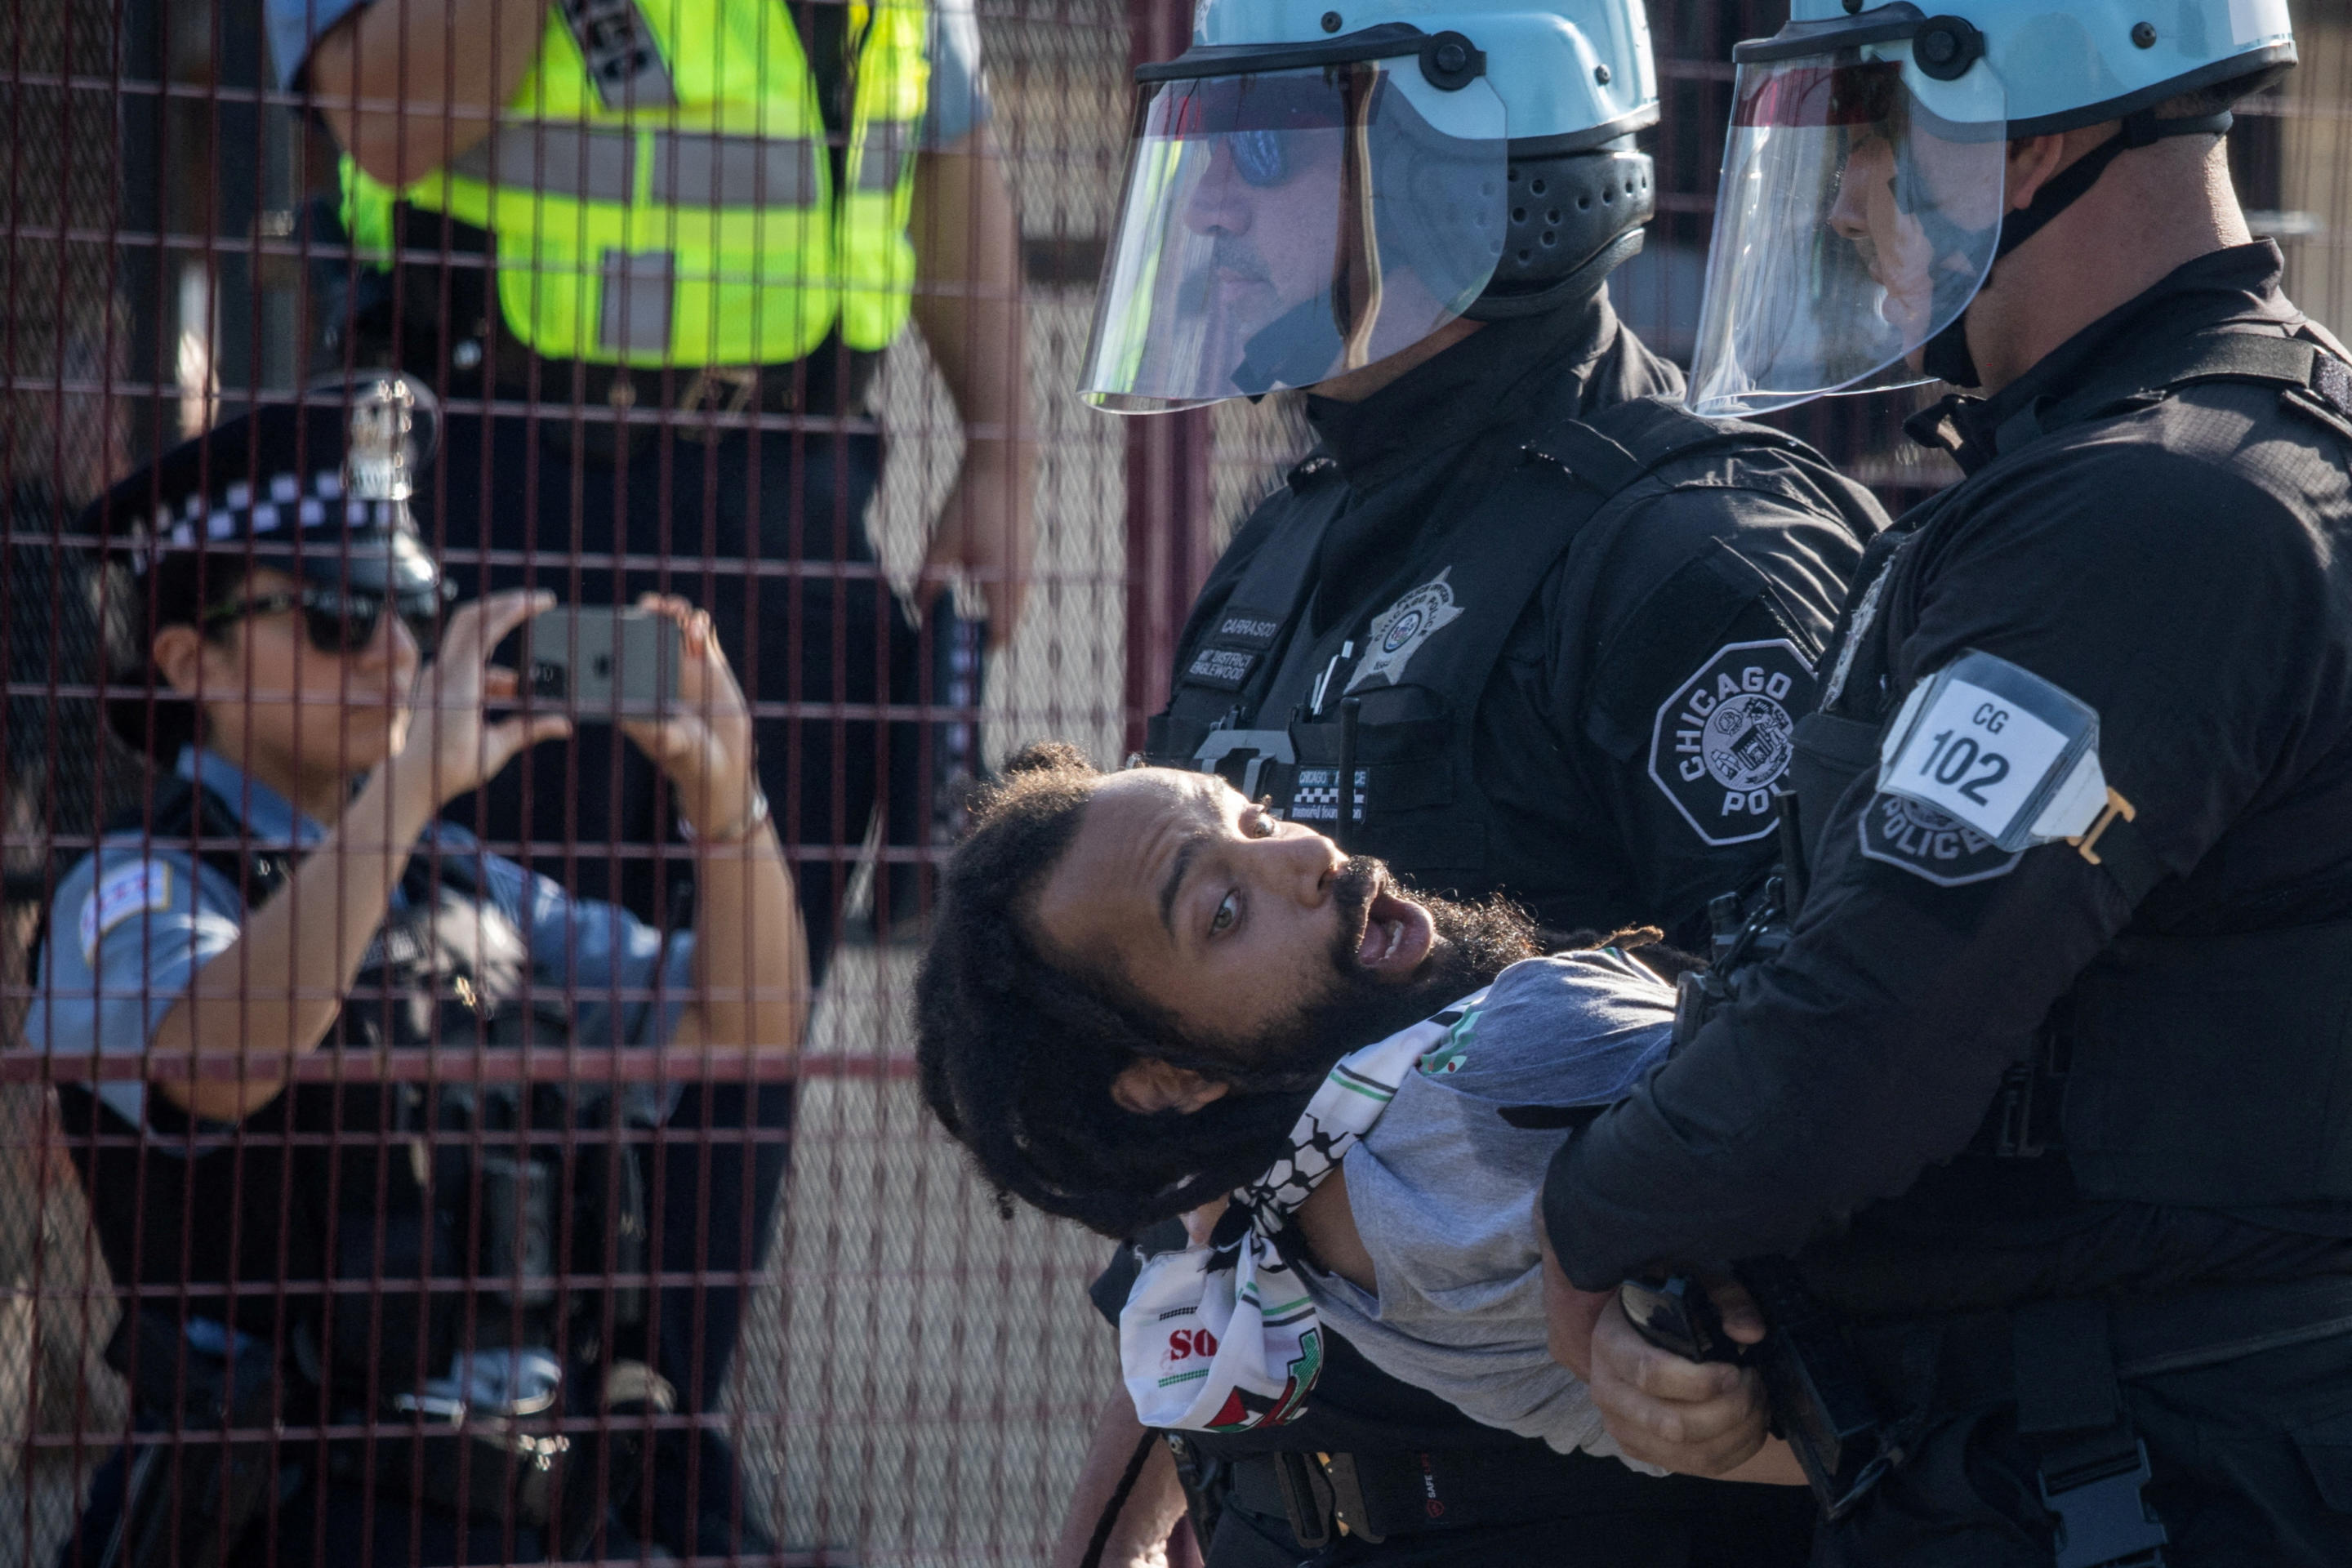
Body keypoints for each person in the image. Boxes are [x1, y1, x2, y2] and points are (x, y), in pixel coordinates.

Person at [1063, 0, 1888, 1559]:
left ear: (1463, 160)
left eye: (1262, 143)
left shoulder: (1689, 555)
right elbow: (1220, 1190)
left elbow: (1841, 1095)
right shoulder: (1291, 539)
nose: (1212, 201)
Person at [1535, 0, 2352, 1561]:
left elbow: (1872, 1023)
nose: (1842, 201)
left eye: (1868, 135)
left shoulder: (2152, 519)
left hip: (2154, 1478)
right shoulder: (2154, 466)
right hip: (2092, 1460)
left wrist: (1592, 1219)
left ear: (2031, 130)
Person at [268, 0, 1032, 1544]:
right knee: (463, 1001)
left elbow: (943, 140)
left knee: (737, 1054)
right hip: (490, 477)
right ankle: (453, 1473)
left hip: (783, 507)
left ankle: (657, 1465)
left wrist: (1006, 445)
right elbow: (384, 123)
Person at [29, 378, 805, 1566]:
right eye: (339, 619)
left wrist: (727, 795)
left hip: (532, 1506)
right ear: (192, 659)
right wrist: (404, 793)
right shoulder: (136, 885)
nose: (395, 655)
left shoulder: (456, 884)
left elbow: (745, 1026)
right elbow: (218, 1062)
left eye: (413, 609)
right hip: (278, 1515)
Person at [914, 747, 1813, 1555]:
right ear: (1169, 1080)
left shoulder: (1301, 1220)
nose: (1309, 859)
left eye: (1258, 819)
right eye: (1225, 911)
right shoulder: (1494, 1073)